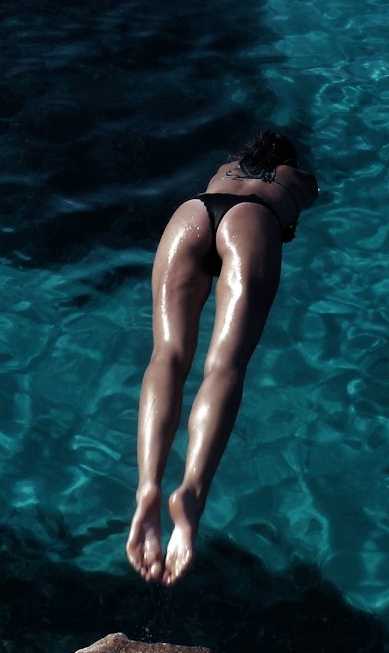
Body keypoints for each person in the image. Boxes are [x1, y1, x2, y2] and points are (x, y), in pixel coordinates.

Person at [126, 131, 319, 585]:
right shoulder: (303, 178)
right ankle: (191, 493)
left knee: (167, 356)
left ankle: (148, 486)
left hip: (192, 213)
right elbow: (304, 199)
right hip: (252, 224)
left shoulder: (223, 169)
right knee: (225, 366)